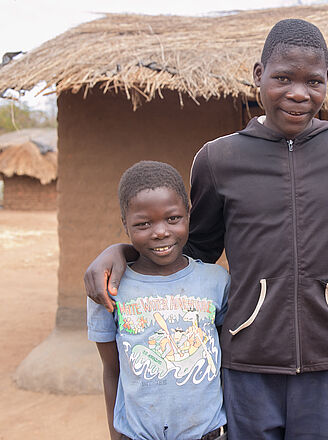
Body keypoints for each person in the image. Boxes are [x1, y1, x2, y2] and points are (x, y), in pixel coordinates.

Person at [84, 19, 328, 440]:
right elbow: (192, 250)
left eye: (314, 81)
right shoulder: (219, 159)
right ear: (258, 75)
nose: (298, 93)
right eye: (282, 78)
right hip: (248, 356)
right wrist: (123, 252)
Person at [87, 161, 229, 440]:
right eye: (143, 224)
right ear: (124, 224)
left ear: (189, 215)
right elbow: (112, 371)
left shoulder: (217, 281)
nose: (161, 232)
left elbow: (226, 365)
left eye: (173, 218)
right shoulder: (108, 290)